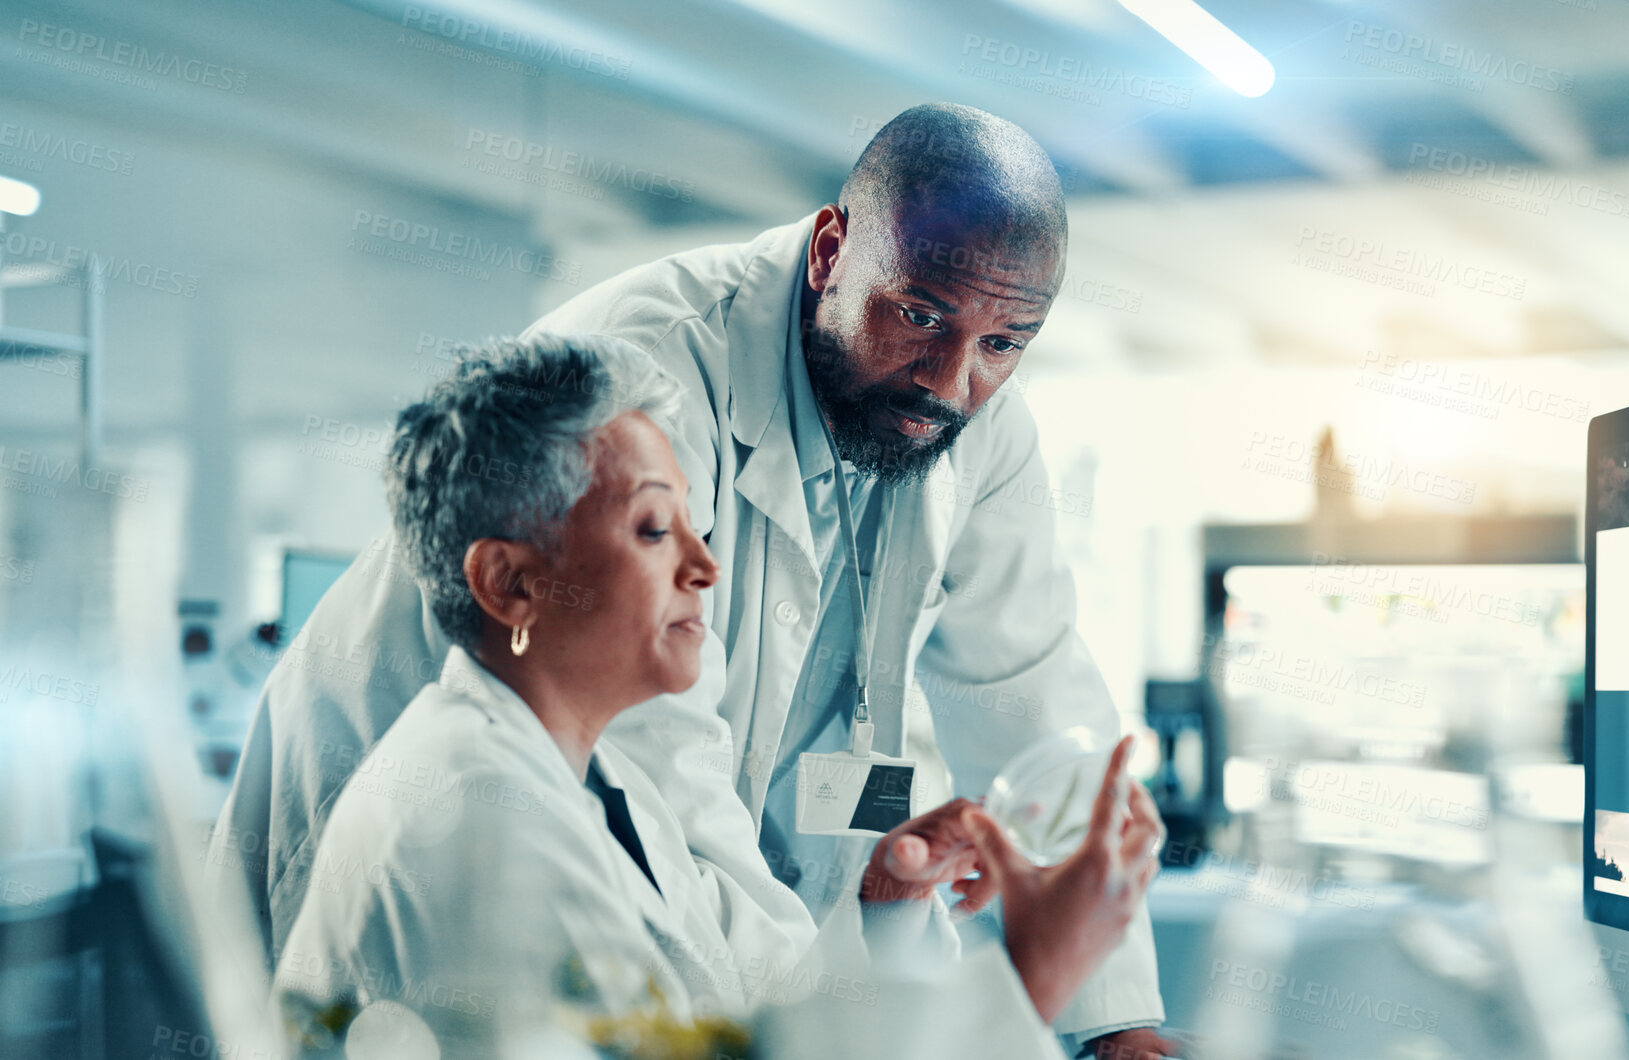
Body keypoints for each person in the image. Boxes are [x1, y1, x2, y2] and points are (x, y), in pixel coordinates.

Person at [211, 101, 1174, 1057]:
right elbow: (660, 766)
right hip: (450, 860)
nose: (949, 378)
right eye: (916, 314)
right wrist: (1008, 994)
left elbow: (1030, 688)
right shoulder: (646, 368)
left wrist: (1112, 1017)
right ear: (831, 252)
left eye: (1006, 343)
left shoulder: (968, 411)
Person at [269, 336, 1162, 1059]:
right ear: (510, 584)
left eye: (695, 525)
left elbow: (744, 1033)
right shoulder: (475, 823)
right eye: (655, 528)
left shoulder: (600, 790)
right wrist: (1028, 983)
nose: (705, 567)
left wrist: (882, 909)